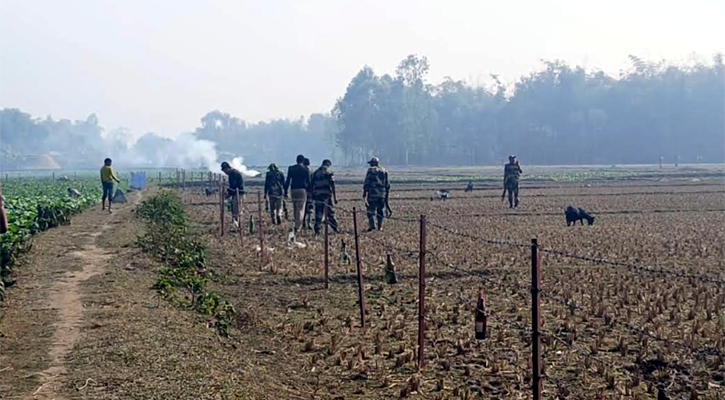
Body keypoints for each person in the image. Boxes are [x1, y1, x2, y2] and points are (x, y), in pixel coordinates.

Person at [311, 159, 339, 235]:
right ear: (328, 164)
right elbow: (332, 185)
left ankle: (317, 230)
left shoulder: (315, 172)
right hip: (327, 196)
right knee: (330, 213)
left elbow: (311, 185)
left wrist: (312, 196)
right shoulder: (329, 172)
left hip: (318, 196)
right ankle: (335, 228)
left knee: (318, 213)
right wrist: (335, 197)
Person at [284, 155, 311, 232]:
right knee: (301, 209)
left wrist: (285, 191)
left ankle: (296, 223)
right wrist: (310, 191)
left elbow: (288, 180)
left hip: (293, 190)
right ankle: (298, 226)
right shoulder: (306, 169)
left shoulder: (291, 168)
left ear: (296, 160)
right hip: (302, 190)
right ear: (303, 161)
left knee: (295, 208)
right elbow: (309, 182)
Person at [363, 157, 390, 232]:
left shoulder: (371, 170)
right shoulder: (385, 171)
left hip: (372, 193)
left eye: (371, 163)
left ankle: (372, 226)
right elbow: (387, 184)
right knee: (380, 210)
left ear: (373, 163)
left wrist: (364, 193)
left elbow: (367, 182)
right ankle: (380, 227)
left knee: (371, 210)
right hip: (382, 194)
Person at [221, 161, 245, 227]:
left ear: (227, 168)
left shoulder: (234, 173)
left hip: (238, 193)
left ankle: (239, 225)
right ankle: (236, 224)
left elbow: (233, 186)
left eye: (225, 171)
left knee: (237, 209)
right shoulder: (231, 174)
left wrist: (228, 194)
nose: (225, 173)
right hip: (235, 193)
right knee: (234, 209)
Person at [303, 158, 314, 230]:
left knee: (303, 208)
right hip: (310, 192)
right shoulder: (311, 171)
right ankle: (309, 223)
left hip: (303, 191)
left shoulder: (302, 170)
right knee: (310, 208)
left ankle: (303, 222)